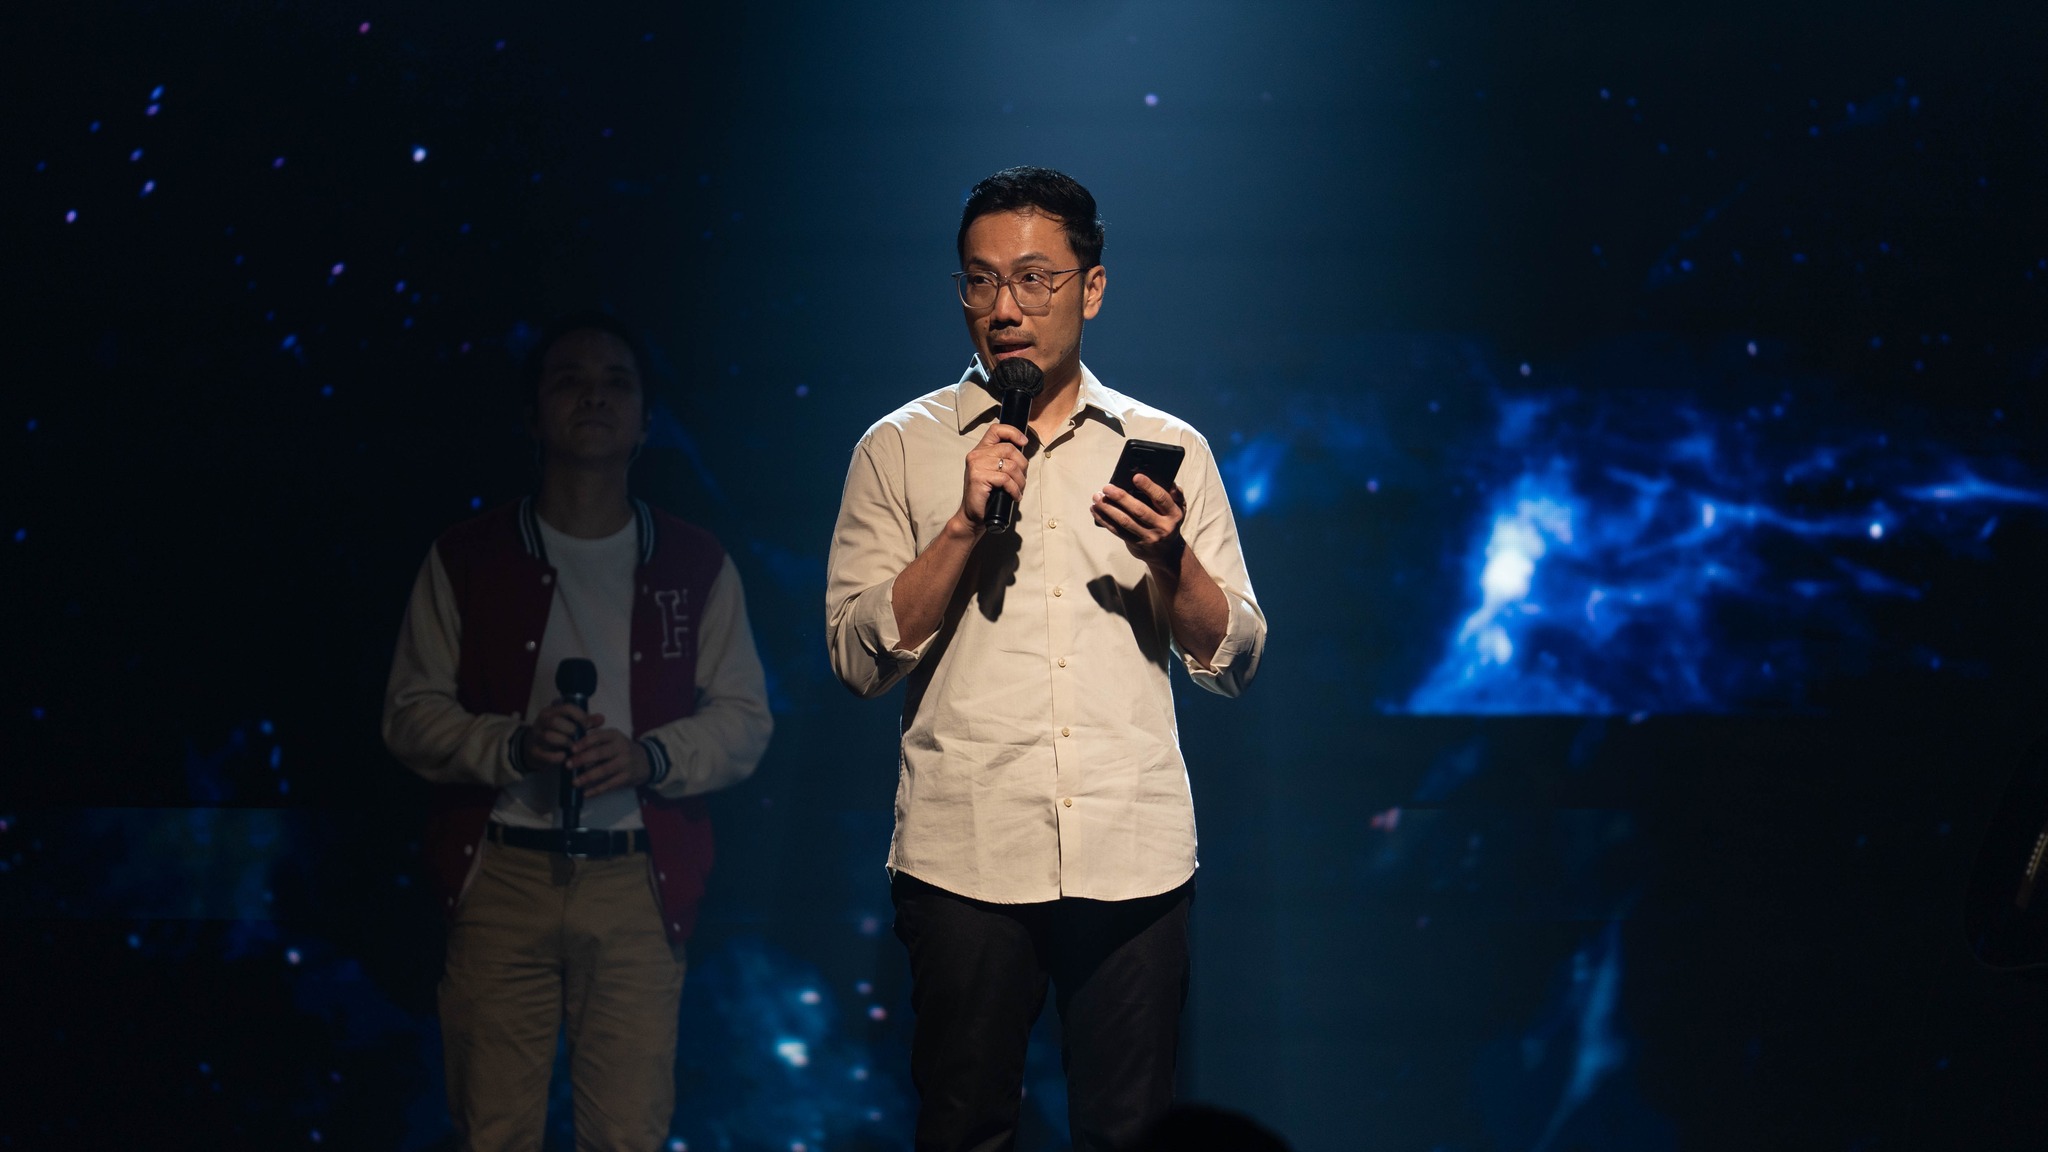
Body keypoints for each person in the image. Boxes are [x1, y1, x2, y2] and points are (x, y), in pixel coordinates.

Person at [826, 167, 1267, 1151]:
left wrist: (1170, 558)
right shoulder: (898, 449)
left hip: (1131, 851)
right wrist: (959, 527)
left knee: (1132, 1133)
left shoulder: (1166, 447)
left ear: (1091, 288)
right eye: (980, 281)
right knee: (964, 1127)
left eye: (1034, 279)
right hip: (966, 852)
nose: (1004, 308)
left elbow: (1234, 656)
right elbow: (856, 658)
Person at [383, 311, 773, 1150]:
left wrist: (648, 757)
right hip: (501, 877)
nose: (593, 396)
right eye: (569, 380)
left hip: (637, 882)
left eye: (615, 383)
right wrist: (512, 744)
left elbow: (745, 721)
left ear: (646, 422)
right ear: (532, 416)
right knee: (492, 1130)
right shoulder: (468, 556)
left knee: (628, 1133)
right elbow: (409, 713)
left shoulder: (693, 561)